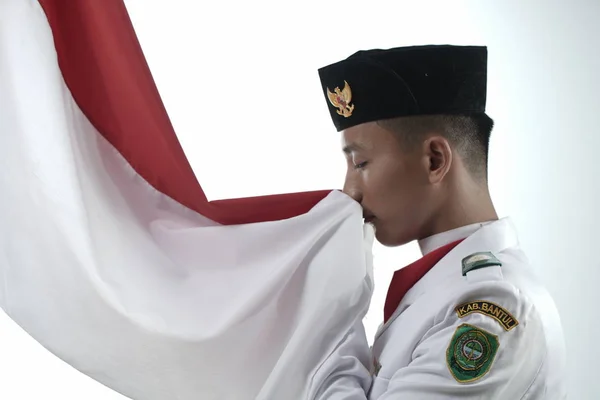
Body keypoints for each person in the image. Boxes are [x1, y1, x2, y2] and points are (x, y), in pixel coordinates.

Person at [310, 45, 567, 399]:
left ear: (434, 160)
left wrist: (330, 311)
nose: (349, 191)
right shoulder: (449, 290)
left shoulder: (492, 311)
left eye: (360, 163)